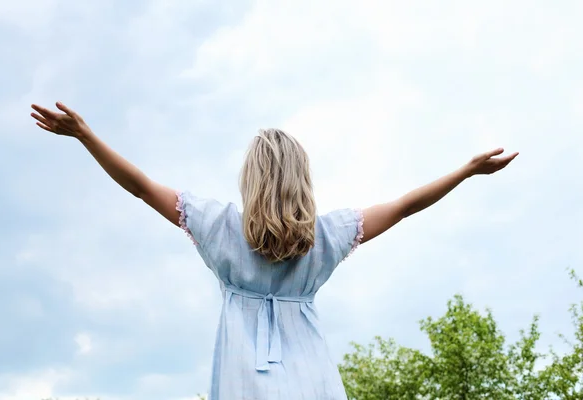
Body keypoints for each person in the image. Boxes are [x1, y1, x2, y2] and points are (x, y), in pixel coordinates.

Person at [30, 102, 519, 400]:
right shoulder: (326, 238)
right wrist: (465, 171)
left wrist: (87, 137)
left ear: (250, 179)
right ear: (303, 181)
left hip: (243, 385)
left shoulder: (219, 228)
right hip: (316, 386)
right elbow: (404, 206)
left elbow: (140, 187)